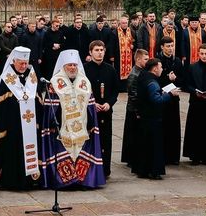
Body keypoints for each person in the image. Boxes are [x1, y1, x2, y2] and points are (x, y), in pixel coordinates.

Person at [38, 49, 105, 189]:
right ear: (63, 66)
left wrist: (91, 123)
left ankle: (82, 180)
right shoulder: (55, 83)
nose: (73, 68)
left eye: (75, 65)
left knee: (80, 152)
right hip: (62, 128)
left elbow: (90, 104)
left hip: (82, 126)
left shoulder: (84, 81)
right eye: (70, 65)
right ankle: (65, 182)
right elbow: (51, 108)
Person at [0, 47, 42, 190]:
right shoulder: (6, 79)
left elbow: (38, 100)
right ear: (14, 61)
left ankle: (31, 179)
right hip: (12, 125)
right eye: (21, 63)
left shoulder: (32, 76)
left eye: (26, 63)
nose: (24, 66)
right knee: (13, 151)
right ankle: (11, 180)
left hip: (31, 124)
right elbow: (1, 108)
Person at [84, 40, 119, 177]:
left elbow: (115, 90)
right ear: (90, 52)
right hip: (90, 112)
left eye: (101, 50)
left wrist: (109, 103)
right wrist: (92, 103)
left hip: (105, 111)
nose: (99, 53)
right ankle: (90, 169)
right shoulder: (85, 69)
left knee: (105, 140)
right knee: (90, 140)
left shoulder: (110, 69)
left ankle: (105, 170)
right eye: (96, 50)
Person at [133, 57, 172, 180]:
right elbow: (157, 100)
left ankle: (143, 170)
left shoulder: (142, 77)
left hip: (143, 117)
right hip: (153, 118)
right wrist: (169, 94)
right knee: (154, 146)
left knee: (144, 145)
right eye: (160, 67)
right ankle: (154, 171)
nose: (161, 70)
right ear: (155, 68)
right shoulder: (152, 82)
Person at [120, 48, 149, 166]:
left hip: (136, 108)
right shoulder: (134, 74)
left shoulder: (141, 71)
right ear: (138, 59)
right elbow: (133, 95)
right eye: (145, 59)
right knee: (132, 135)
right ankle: (131, 159)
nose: (148, 61)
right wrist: (138, 111)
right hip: (134, 109)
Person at [157, 38, 182, 164]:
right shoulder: (157, 61)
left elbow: (182, 78)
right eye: (168, 46)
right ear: (162, 47)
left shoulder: (177, 61)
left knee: (174, 127)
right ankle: (163, 155)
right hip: (162, 97)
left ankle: (173, 157)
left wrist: (175, 79)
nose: (170, 48)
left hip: (174, 98)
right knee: (163, 127)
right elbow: (155, 78)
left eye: (172, 45)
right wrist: (168, 78)